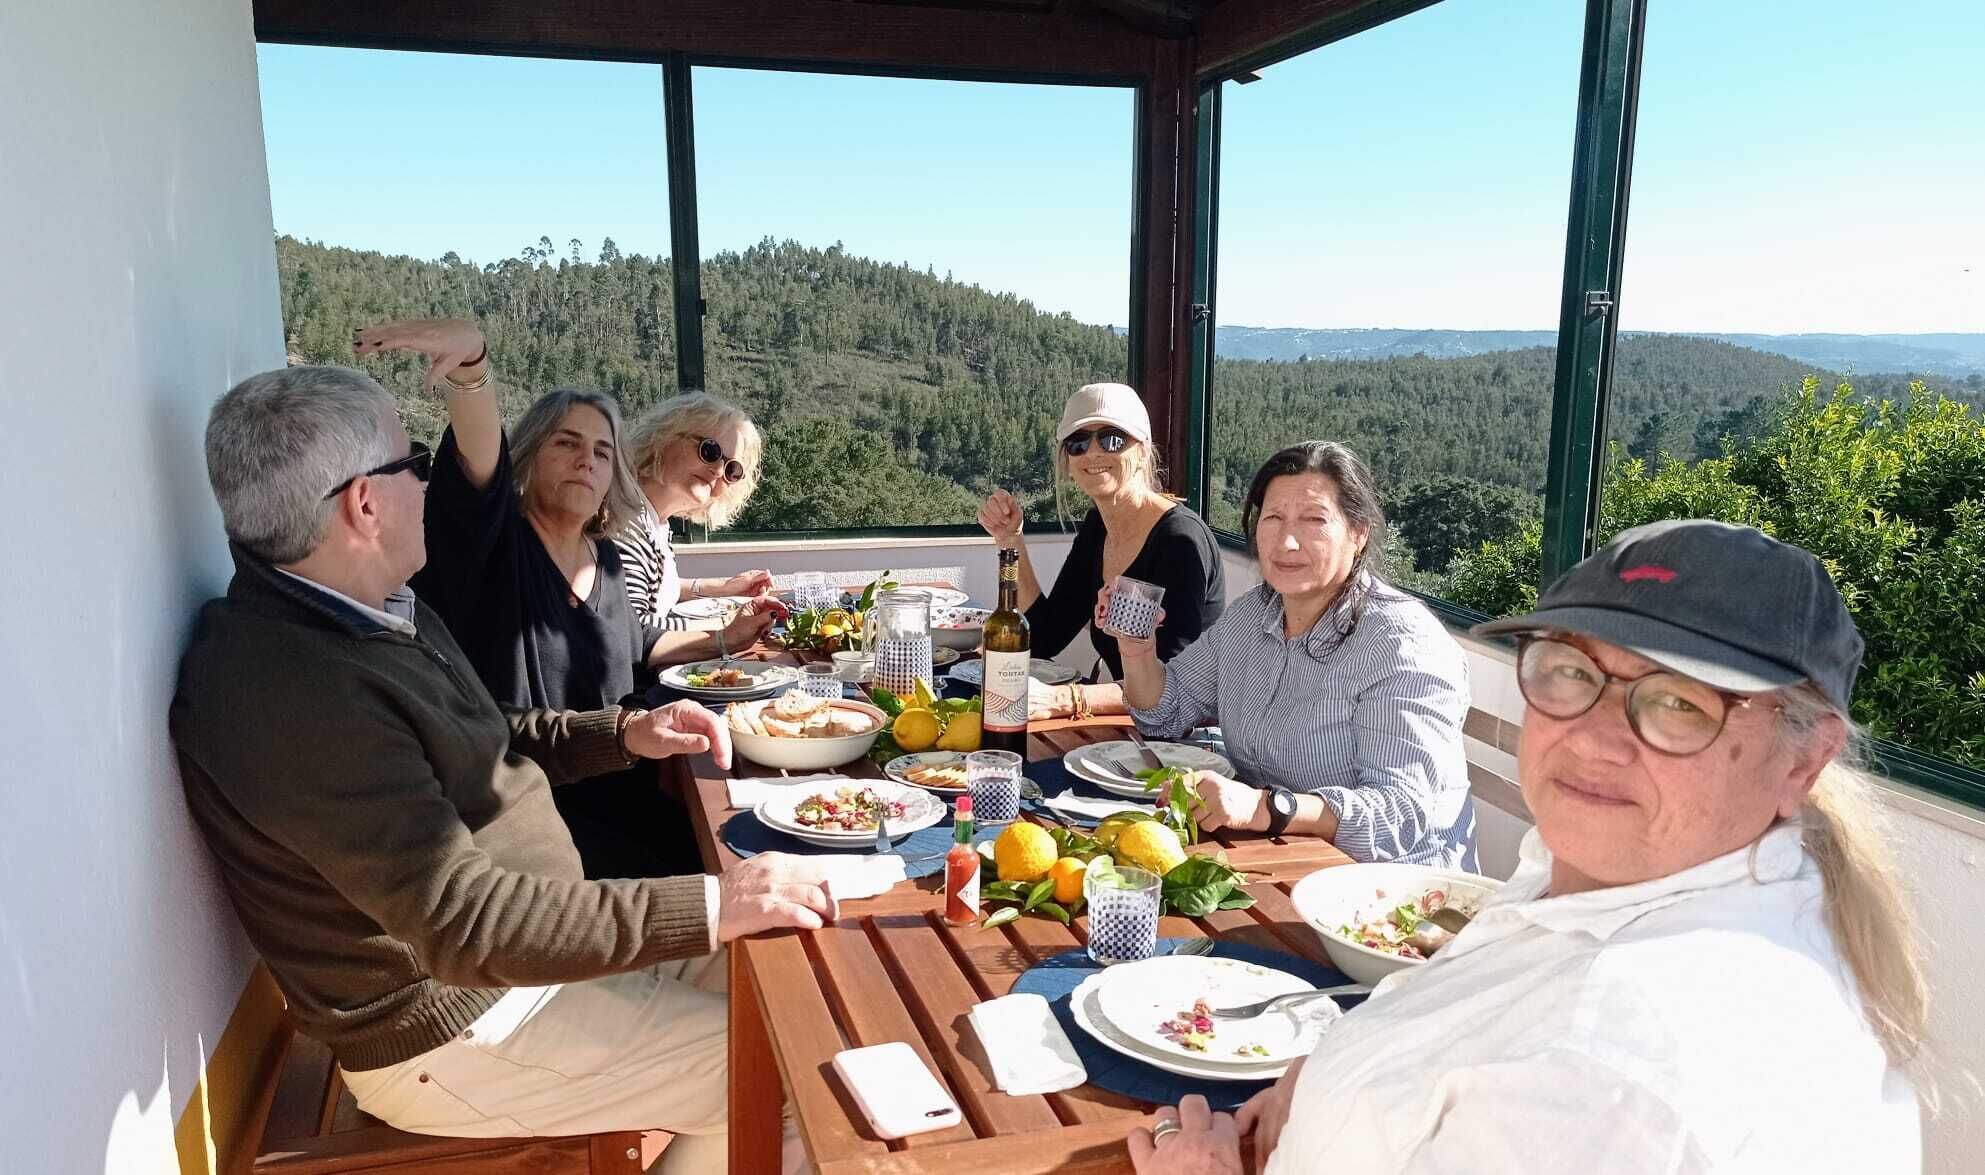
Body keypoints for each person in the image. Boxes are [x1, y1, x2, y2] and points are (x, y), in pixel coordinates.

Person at [173, 364, 843, 1173]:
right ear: (363, 502)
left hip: (533, 950)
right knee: (809, 1075)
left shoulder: (366, 610)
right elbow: (468, 925)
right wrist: (713, 898)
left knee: (808, 988)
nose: (429, 484)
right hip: (458, 1024)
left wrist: (624, 732)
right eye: (414, 465)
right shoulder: (292, 690)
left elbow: (487, 733)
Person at [1128, 519, 1927, 1174]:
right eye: (1571, 671)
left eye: (1680, 704)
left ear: (1802, 759)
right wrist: (1328, 1080)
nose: (1593, 740)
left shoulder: (1618, 1075)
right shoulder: (1589, 874)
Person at [353, 318, 782, 878]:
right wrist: (472, 370)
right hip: (539, 817)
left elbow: (638, 642)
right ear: (530, 455)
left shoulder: (602, 557)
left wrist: (727, 637)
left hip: (622, 791)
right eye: (568, 443)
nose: (588, 460)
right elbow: (478, 469)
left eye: (603, 452)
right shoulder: (497, 546)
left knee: (752, 845)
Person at [1118, 441, 1474, 866]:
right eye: (1273, 518)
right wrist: (1137, 648)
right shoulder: (1254, 614)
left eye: (1313, 520)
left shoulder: (1402, 645)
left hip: (1389, 897)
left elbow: (1400, 814)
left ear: (1358, 534)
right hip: (1276, 858)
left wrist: (1266, 808)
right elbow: (1167, 710)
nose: (1286, 542)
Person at [977, 382, 1223, 710]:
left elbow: (1171, 684)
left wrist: (1064, 700)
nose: (1093, 452)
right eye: (1077, 442)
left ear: (1142, 452)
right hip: (1129, 720)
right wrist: (1011, 540)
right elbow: (1048, 635)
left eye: (1112, 439)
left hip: (1182, 734)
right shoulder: (1099, 527)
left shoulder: (1179, 541)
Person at [617, 392, 775, 637]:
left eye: (732, 469)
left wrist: (724, 588)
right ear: (663, 438)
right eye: (710, 451)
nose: (719, 470)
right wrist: (726, 625)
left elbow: (656, 591)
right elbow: (635, 629)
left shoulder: (653, 520)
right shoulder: (624, 522)